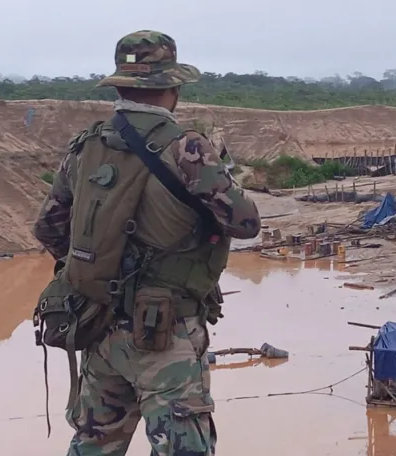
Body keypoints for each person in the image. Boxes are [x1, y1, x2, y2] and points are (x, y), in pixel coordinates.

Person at [32, 30, 261, 455]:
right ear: (171, 89)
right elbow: (246, 223)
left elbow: (48, 227)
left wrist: (98, 267)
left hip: (97, 328)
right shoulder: (187, 148)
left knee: (93, 446)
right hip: (165, 334)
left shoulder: (85, 147)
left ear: (119, 86)